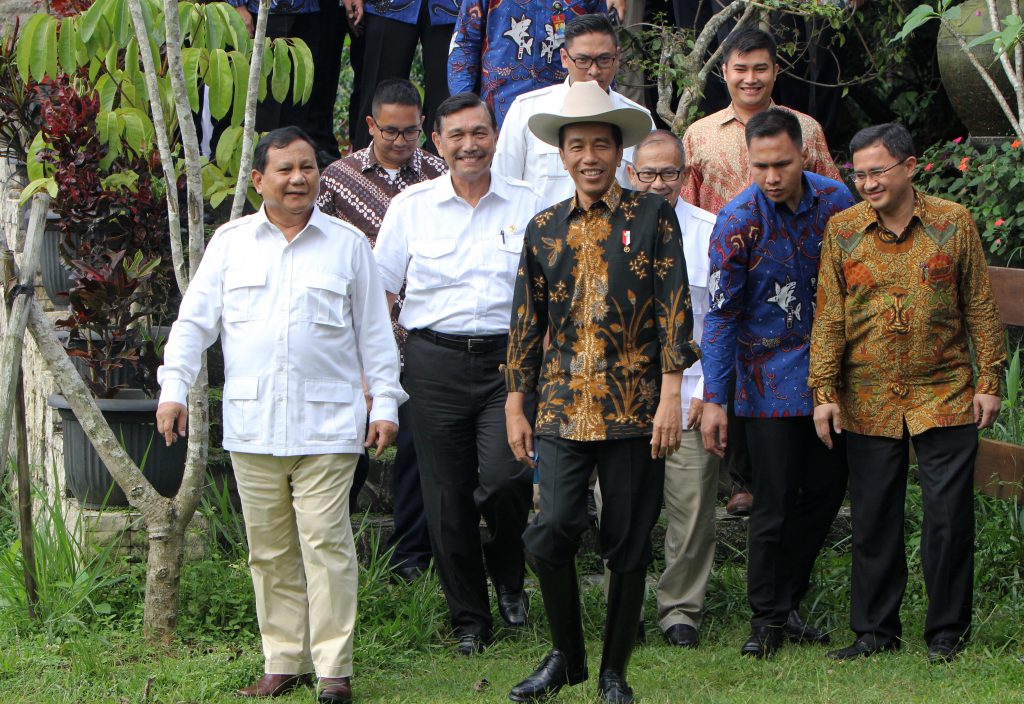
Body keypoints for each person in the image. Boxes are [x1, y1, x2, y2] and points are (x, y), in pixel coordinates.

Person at [155, 127, 406, 703]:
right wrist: (173, 389)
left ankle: (333, 670)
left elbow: (375, 331)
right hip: (254, 426)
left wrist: (385, 401)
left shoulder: (347, 244)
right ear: (259, 180)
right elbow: (194, 324)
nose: (300, 178)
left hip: (328, 425)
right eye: (286, 170)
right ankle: (284, 659)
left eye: (309, 167)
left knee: (327, 543)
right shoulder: (230, 243)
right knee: (267, 549)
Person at [504, 80, 698, 703]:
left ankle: (614, 670)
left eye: (601, 146)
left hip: (636, 407)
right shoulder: (543, 228)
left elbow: (674, 308)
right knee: (551, 527)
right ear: (562, 154)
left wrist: (671, 392)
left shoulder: (652, 217)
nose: (589, 157)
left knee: (628, 541)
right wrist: (516, 402)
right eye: (577, 145)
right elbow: (526, 322)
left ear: (619, 153)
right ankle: (566, 654)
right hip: (561, 406)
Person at [809, 123, 1005, 663]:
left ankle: (946, 631)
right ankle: (874, 631)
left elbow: (980, 306)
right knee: (873, 515)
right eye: (860, 173)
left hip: (945, 390)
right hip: (867, 394)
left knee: (947, 515)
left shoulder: (952, 222)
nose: (867, 182)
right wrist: (824, 390)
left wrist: (990, 380)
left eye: (877, 171)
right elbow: (829, 315)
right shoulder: (843, 230)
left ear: (910, 166)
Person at [373, 93, 546, 655]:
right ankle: (469, 619)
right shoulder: (411, 207)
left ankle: (509, 568)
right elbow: (381, 290)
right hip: (434, 363)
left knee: (508, 478)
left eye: (480, 133)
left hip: (510, 364)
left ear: (496, 137)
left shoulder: (532, 203)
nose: (469, 145)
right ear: (437, 142)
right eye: (457, 135)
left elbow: (552, 289)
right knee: (445, 498)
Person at [699, 108, 853, 659]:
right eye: (760, 165)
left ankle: (787, 599)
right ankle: (765, 619)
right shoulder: (736, 219)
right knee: (773, 501)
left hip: (831, 377)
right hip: (763, 384)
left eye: (781, 164)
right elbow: (719, 314)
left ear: (803, 155)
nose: (771, 176)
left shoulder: (838, 202)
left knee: (828, 491)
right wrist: (715, 399)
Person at [680, 26, 841, 517]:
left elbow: (834, 201)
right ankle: (744, 479)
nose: (750, 79)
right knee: (730, 362)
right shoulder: (700, 133)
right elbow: (687, 202)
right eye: (740, 69)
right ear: (724, 72)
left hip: (795, 271)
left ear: (775, 71)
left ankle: (773, 480)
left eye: (760, 68)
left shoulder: (804, 129)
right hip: (727, 270)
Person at [317, 78, 447, 582]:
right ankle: (333, 548)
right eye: (390, 131)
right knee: (348, 449)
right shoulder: (336, 178)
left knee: (418, 450)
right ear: (370, 125)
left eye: (411, 131)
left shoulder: (439, 175)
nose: (400, 141)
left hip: (421, 335)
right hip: (355, 339)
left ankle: (410, 557)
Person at [625, 129, 717, 649]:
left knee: (692, 507)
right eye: (648, 173)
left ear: (685, 176)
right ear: (632, 175)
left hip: (693, 395)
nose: (658, 183)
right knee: (622, 507)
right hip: (625, 399)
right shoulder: (610, 229)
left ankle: (680, 610)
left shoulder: (709, 231)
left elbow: (723, 321)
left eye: (669, 173)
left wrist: (714, 392)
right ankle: (625, 606)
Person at [494, 12, 654, 207]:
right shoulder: (526, 111)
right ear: (564, 58)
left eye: (604, 59)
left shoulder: (638, 120)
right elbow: (503, 185)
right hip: (542, 234)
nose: (594, 71)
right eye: (583, 60)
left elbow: (648, 193)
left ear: (617, 57)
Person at [447, 0, 620, 130]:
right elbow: (464, 43)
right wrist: (465, 105)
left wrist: (605, 101)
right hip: (502, 106)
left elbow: (602, 43)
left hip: (567, 105)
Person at [353, 0, 460, 154]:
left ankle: (446, 171)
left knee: (448, 93)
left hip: (454, 7)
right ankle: (366, 170)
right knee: (379, 93)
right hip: (386, 6)